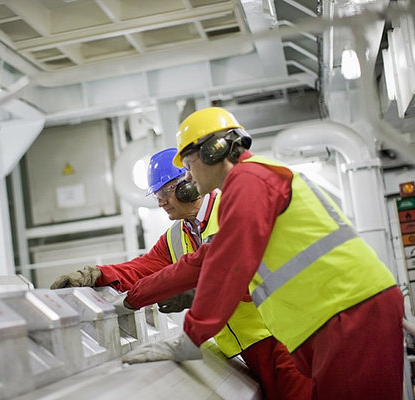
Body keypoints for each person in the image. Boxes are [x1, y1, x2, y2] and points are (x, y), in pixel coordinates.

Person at [117, 107, 404, 400]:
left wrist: (190, 339)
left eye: (189, 163)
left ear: (213, 152)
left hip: (347, 312)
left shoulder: (249, 180)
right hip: (341, 313)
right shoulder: (249, 183)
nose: (188, 175)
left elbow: (226, 266)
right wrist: (132, 298)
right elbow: (206, 259)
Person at [51, 147, 311, 400]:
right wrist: (96, 274)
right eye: (157, 195)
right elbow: (143, 267)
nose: (161, 201)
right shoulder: (176, 236)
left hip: (280, 338)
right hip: (245, 349)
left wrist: (195, 295)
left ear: (189, 183)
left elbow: (248, 276)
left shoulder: (230, 209)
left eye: (166, 191)